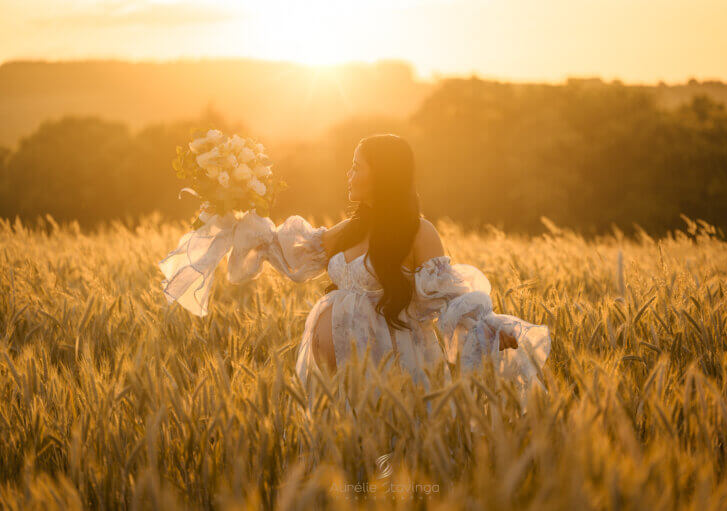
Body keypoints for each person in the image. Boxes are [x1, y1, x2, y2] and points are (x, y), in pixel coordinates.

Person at [160, 134, 551, 405]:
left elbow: (452, 299)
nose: (348, 175)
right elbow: (288, 253)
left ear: (382, 173)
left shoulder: (418, 232)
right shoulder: (350, 229)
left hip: (390, 375)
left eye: (355, 167)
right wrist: (237, 208)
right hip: (332, 382)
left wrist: (493, 329)